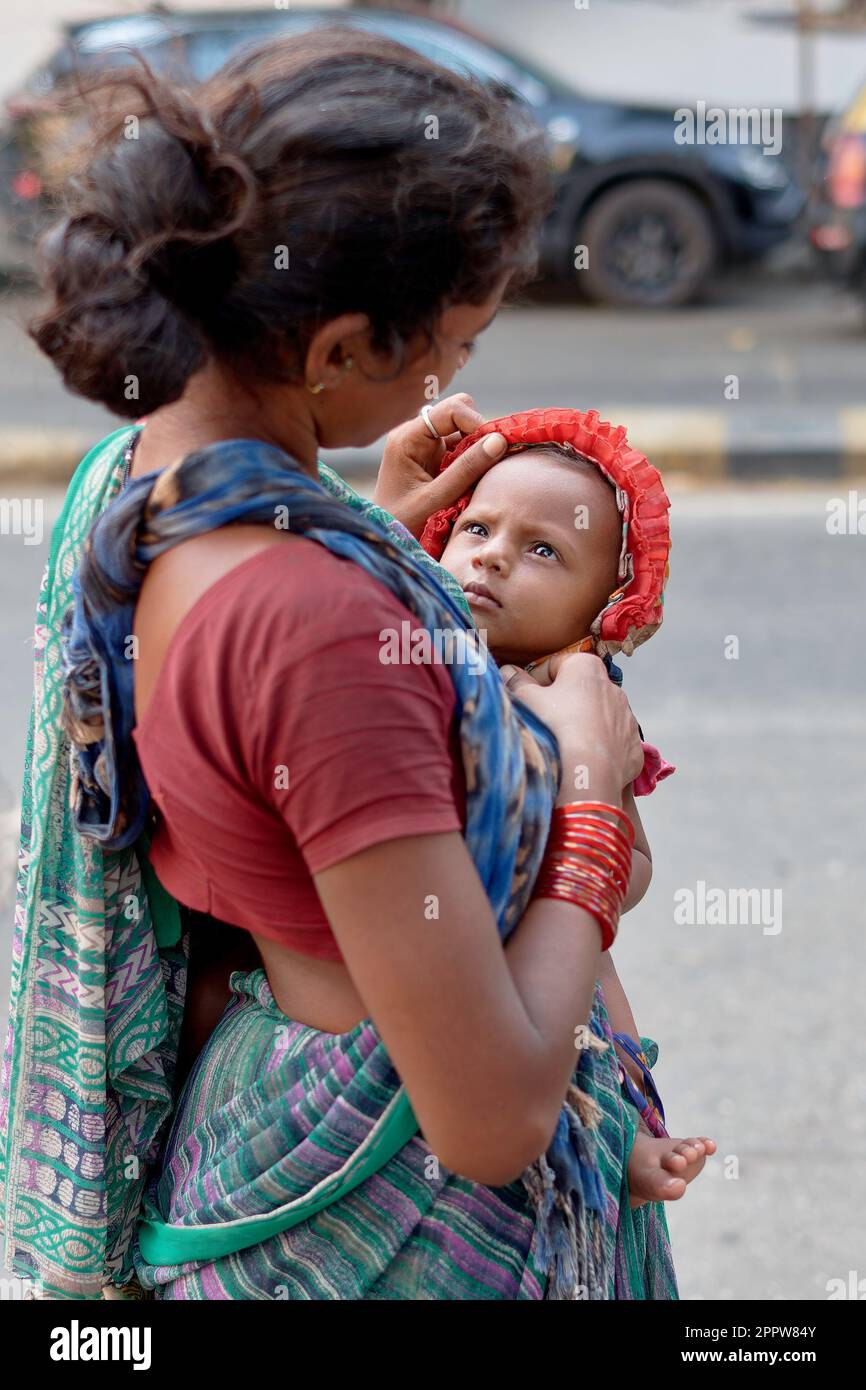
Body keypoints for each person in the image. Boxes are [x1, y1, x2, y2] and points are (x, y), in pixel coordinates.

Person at [1, 28, 685, 1300]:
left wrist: (367, 520)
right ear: (338, 353)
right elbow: (487, 1119)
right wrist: (587, 802)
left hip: (248, 1109)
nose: (458, 375)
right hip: (384, 1200)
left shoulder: (145, 477)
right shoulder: (317, 632)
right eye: (457, 346)